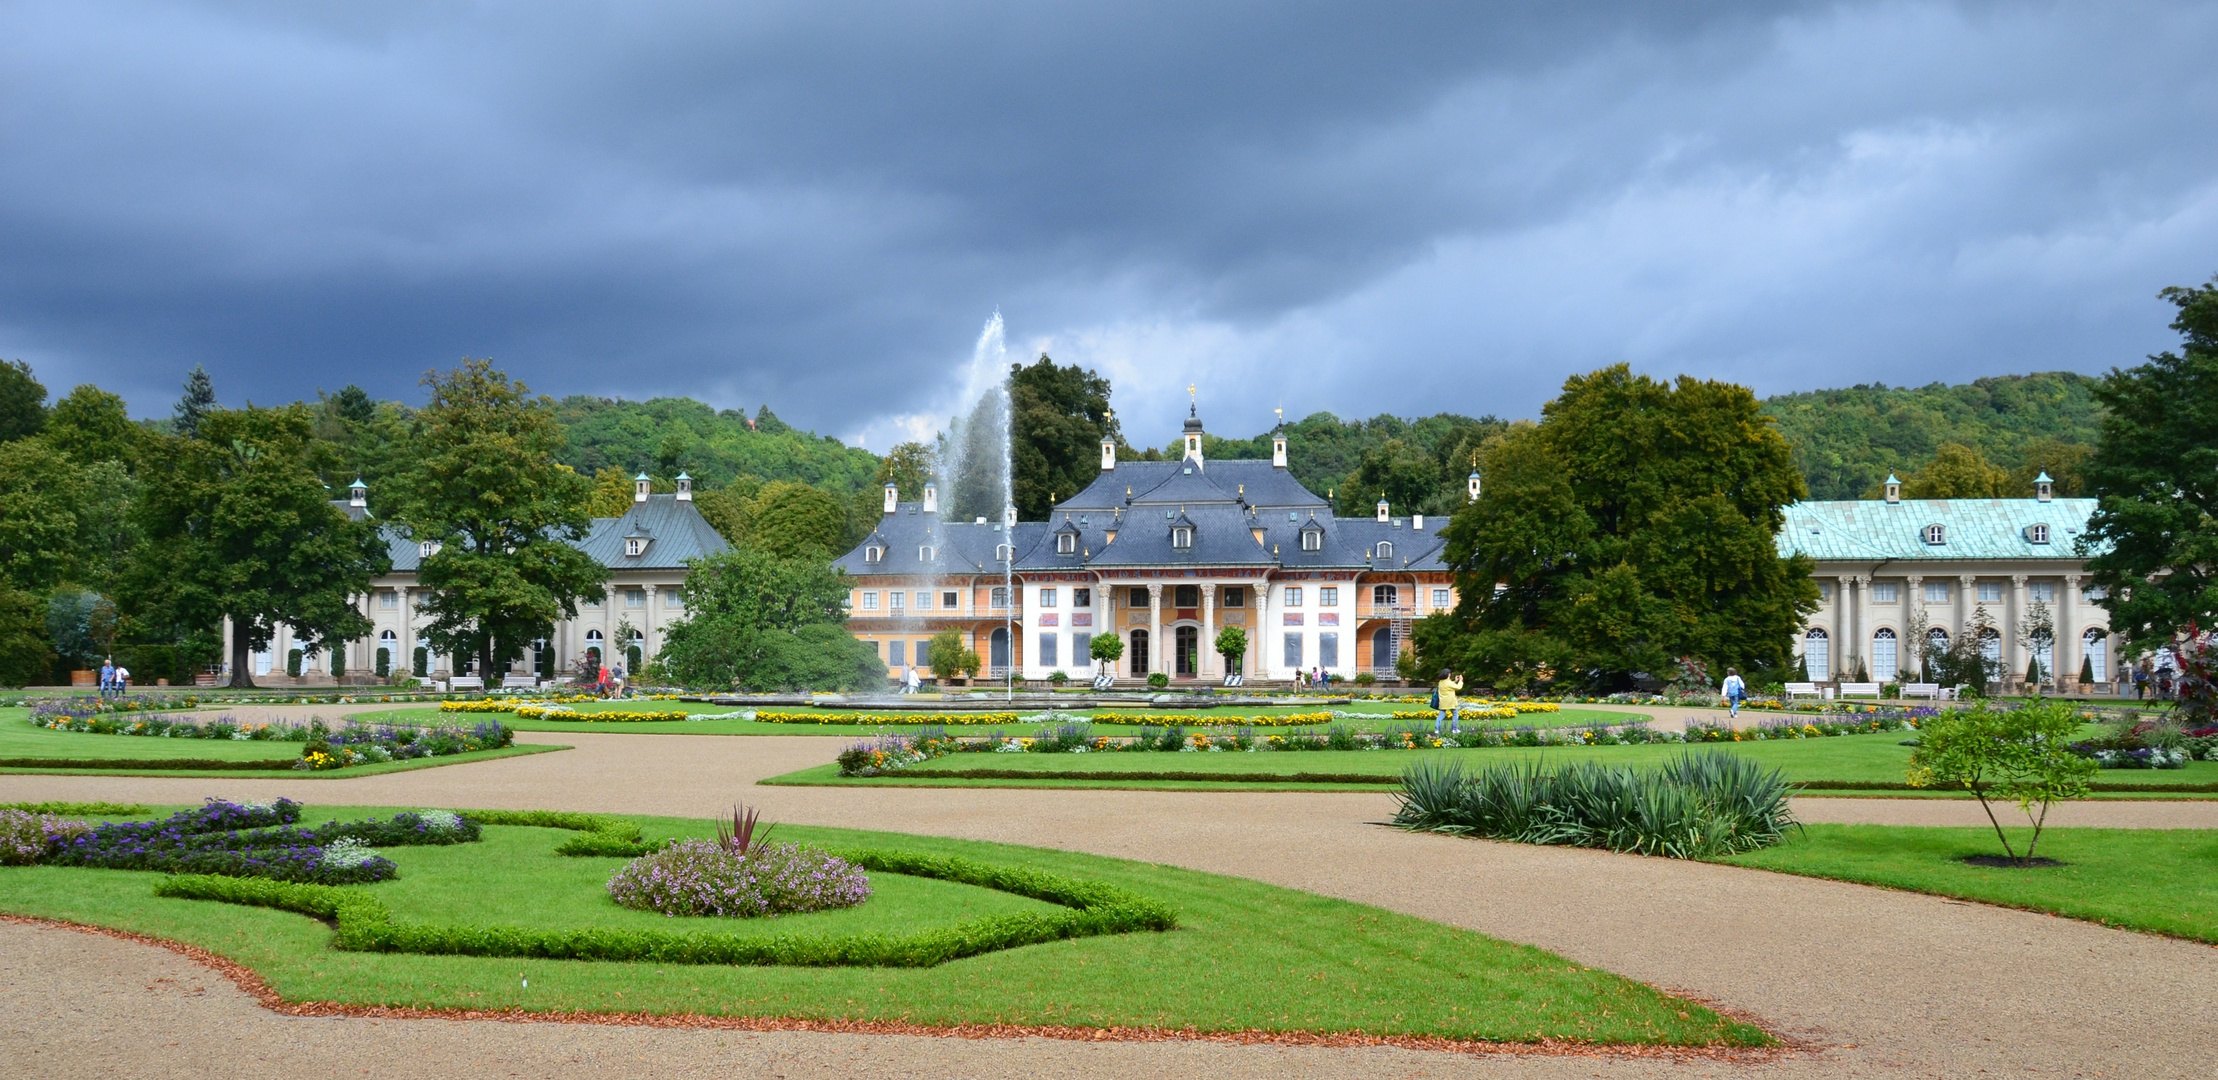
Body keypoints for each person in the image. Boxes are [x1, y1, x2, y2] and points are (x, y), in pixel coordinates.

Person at [1433, 668, 1463, 736]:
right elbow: (1458, 687)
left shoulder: (1441, 682)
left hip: (1443, 702)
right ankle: (1454, 729)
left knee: (1441, 715)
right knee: (1455, 714)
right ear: (1448, 674)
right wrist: (1460, 681)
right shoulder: (1448, 682)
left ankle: (1437, 729)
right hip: (1450, 701)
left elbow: (1449, 685)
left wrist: (1455, 681)